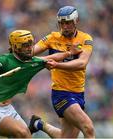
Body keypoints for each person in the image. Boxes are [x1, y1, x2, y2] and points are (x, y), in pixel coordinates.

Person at [0, 29, 81, 138]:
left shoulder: (33, 62)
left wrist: (69, 53)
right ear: (15, 47)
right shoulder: (3, 60)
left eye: (31, 44)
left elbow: (52, 57)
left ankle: (38, 125)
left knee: (27, 136)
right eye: (25, 45)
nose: (30, 48)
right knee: (23, 133)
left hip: (9, 110)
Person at [29, 6, 95, 138]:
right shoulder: (52, 38)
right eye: (62, 23)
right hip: (61, 94)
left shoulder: (85, 39)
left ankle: (38, 124)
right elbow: (30, 54)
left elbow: (82, 63)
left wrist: (56, 64)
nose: (65, 26)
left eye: (68, 23)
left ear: (76, 21)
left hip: (78, 93)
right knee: (88, 128)